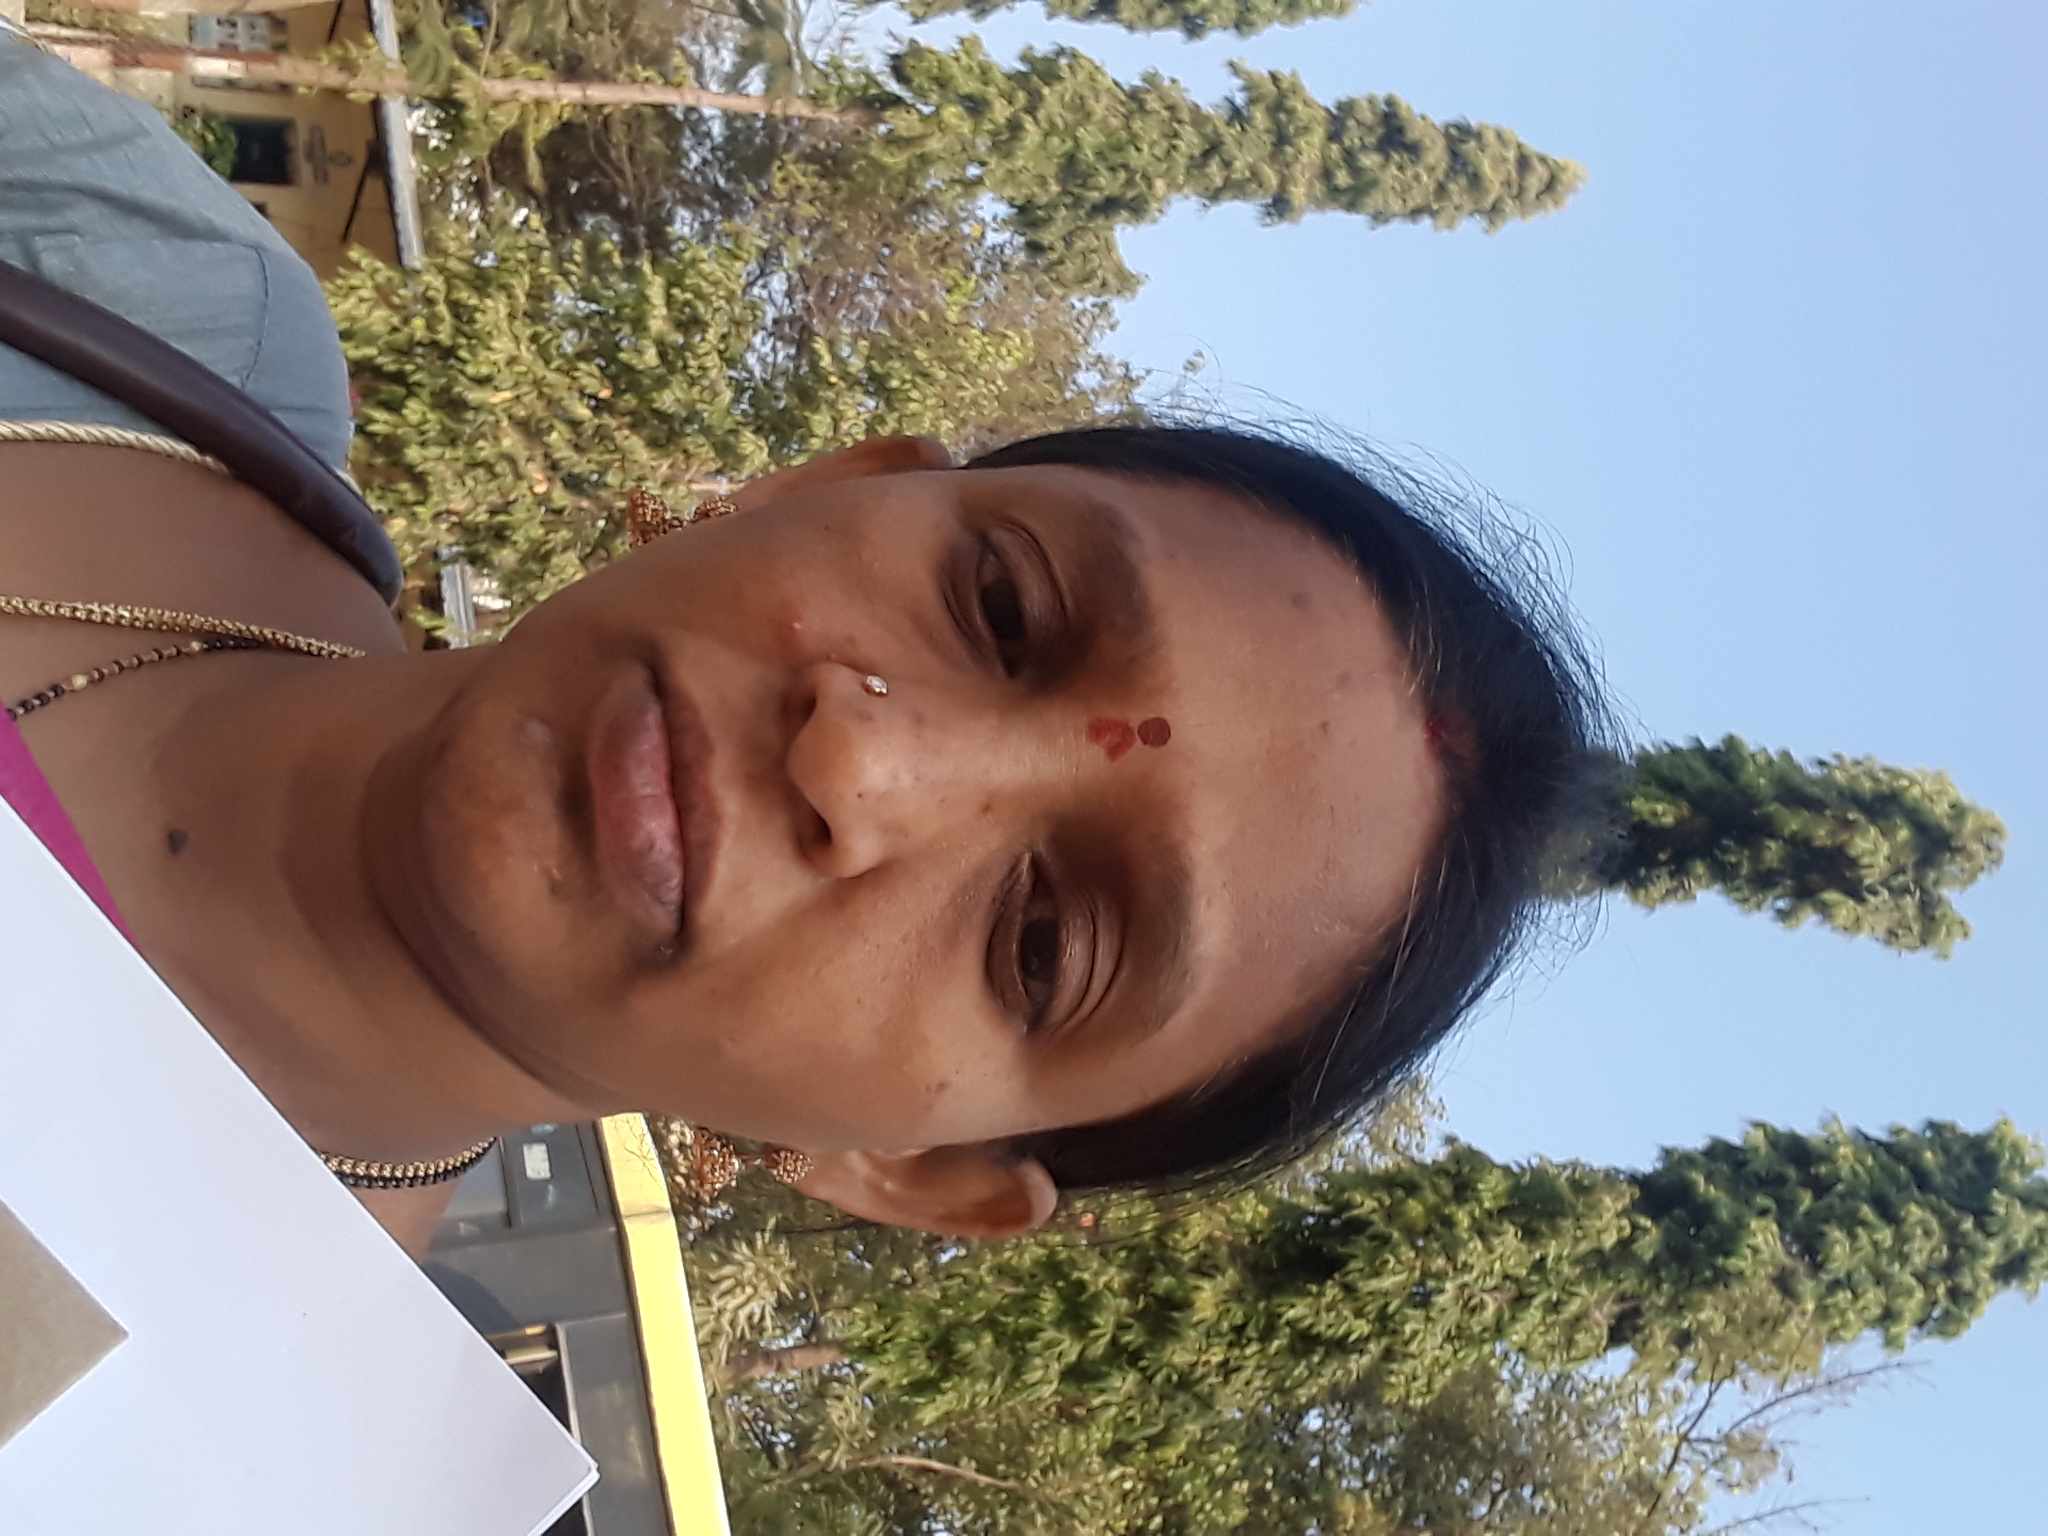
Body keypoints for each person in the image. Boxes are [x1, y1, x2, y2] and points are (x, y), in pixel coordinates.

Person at [0, 27, 1608, 1256]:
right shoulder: (143, 290)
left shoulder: (186, 1459)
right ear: (827, 483)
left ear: (917, 1176)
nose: (862, 757)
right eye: (1001, 607)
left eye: (1042, 945)